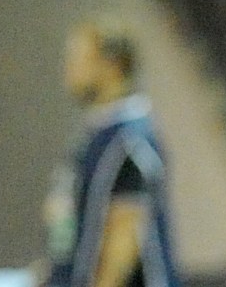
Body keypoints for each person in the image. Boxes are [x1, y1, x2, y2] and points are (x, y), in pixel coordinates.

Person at [43, 16, 181, 287]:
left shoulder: (129, 141)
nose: (68, 69)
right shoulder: (95, 136)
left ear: (112, 65)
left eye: (79, 59)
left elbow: (124, 238)